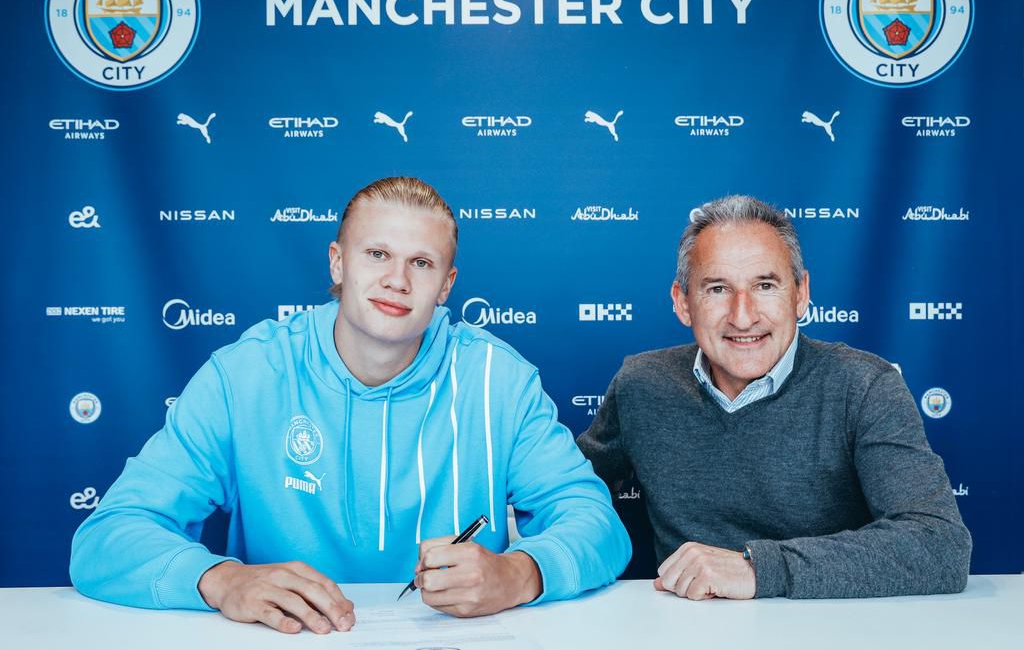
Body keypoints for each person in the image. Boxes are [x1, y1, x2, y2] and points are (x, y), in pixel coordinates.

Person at [71, 177, 630, 633]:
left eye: (421, 263)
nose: (396, 280)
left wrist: (520, 572)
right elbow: (108, 536)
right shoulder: (245, 374)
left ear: (446, 286)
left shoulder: (497, 378)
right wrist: (222, 580)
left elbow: (597, 523)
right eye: (378, 253)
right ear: (338, 263)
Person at [577, 194, 971, 600]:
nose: (743, 315)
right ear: (682, 302)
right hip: (688, 631)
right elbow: (564, 495)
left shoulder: (865, 385)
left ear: (800, 294)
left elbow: (939, 545)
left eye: (765, 285)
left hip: (834, 633)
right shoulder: (642, 384)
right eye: (717, 288)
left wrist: (758, 569)